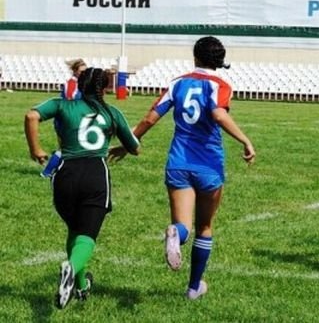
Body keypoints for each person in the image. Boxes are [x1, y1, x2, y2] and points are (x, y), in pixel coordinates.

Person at [110, 36, 255, 300]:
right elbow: (219, 114)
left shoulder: (178, 82)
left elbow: (150, 118)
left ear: (195, 57)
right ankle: (193, 288)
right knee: (205, 227)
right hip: (209, 164)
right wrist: (245, 140)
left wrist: (129, 143)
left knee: (183, 224)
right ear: (220, 61)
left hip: (178, 163)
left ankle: (177, 233)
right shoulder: (220, 85)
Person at [24, 67, 140, 309]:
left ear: (79, 85)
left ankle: (81, 286)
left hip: (65, 173)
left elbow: (31, 116)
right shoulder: (111, 112)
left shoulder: (63, 105)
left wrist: (35, 149)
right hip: (95, 173)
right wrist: (121, 145)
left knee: (75, 229)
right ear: (106, 88)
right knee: (87, 234)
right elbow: (135, 147)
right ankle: (72, 267)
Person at [41, 58, 88, 178]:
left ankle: (60, 171)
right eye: (81, 71)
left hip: (73, 119)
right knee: (66, 148)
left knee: (70, 147)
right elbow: (69, 100)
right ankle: (47, 172)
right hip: (66, 120)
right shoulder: (72, 84)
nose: (84, 73)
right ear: (75, 71)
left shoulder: (81, 84)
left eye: (85, 71)